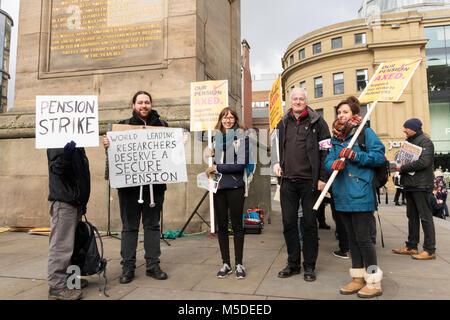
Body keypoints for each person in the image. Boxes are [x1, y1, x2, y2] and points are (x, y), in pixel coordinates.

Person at [103, 91, 168, 283]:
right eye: (140, 102)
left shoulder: (162, 126)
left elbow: (171, 154)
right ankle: (128, 267)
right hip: (129, 188)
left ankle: (152, 265)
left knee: (152, 226)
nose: (144, 106)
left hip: (154, 187)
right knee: (129, 227)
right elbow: (113, 156)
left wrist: (179, 144)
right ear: (133, 105)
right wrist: (108, 144)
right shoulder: (122, 126)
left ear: (151, 104)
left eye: (147, 102)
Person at [325, 96, 385, 298]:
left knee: (364, 240)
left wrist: (355, 156)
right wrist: (333, 164)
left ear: (354, 114)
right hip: (341, 195)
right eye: (339, 112)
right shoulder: (335, 138)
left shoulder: (365, 133)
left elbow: (379, 157)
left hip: (360, 193)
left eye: (345, 112)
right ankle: (358, 278)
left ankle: (374, 282)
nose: (341, 115)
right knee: (351, 240)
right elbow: (329, 161)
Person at [271, 87, 331, 282]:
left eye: (301, 99)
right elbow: (275, 146)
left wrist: (322, 178)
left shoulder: (318, 122)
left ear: (306, 101)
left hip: (310, 183)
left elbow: (326, 151)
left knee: (309, 225)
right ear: (290, 102)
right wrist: (275, 163)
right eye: (295, 99)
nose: (298, 102)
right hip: (287, 181)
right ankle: (293, 263)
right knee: (288, 224)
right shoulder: (282, 122)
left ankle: (309, 266)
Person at [205, 107, 249, 279]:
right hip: (219, 187)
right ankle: (226, 263)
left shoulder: (242, 137)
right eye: (224, 117)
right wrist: (208, 155)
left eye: (231, 117)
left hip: (235, 186)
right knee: (221, 226)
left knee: (237, 226)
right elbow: (210, 162)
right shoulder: (215, 138)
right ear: (220, 120)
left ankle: (239, 263)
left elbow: (240, 165)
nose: (228, 120)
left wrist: (218, 167)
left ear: (235, 119)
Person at [47, 140, 91, 300]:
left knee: (72, 243)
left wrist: (82, 200)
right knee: (61, 244)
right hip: (63, 201)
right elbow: (57, 168)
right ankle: (57, 286)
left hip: (74, 200)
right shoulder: (55, 140)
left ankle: (70, 280)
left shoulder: (76, 141)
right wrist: (66, 157)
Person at [392, 118, 436, 260]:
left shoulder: (426, 142)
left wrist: (402, 167)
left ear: (414, 128)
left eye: (407, 128)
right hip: (409, 185)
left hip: (421, 185)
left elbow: (424, 162)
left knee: (425, 217)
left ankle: (429, 250)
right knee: (412, 217)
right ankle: (411, 246)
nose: (404, 130)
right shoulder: (409, 142)